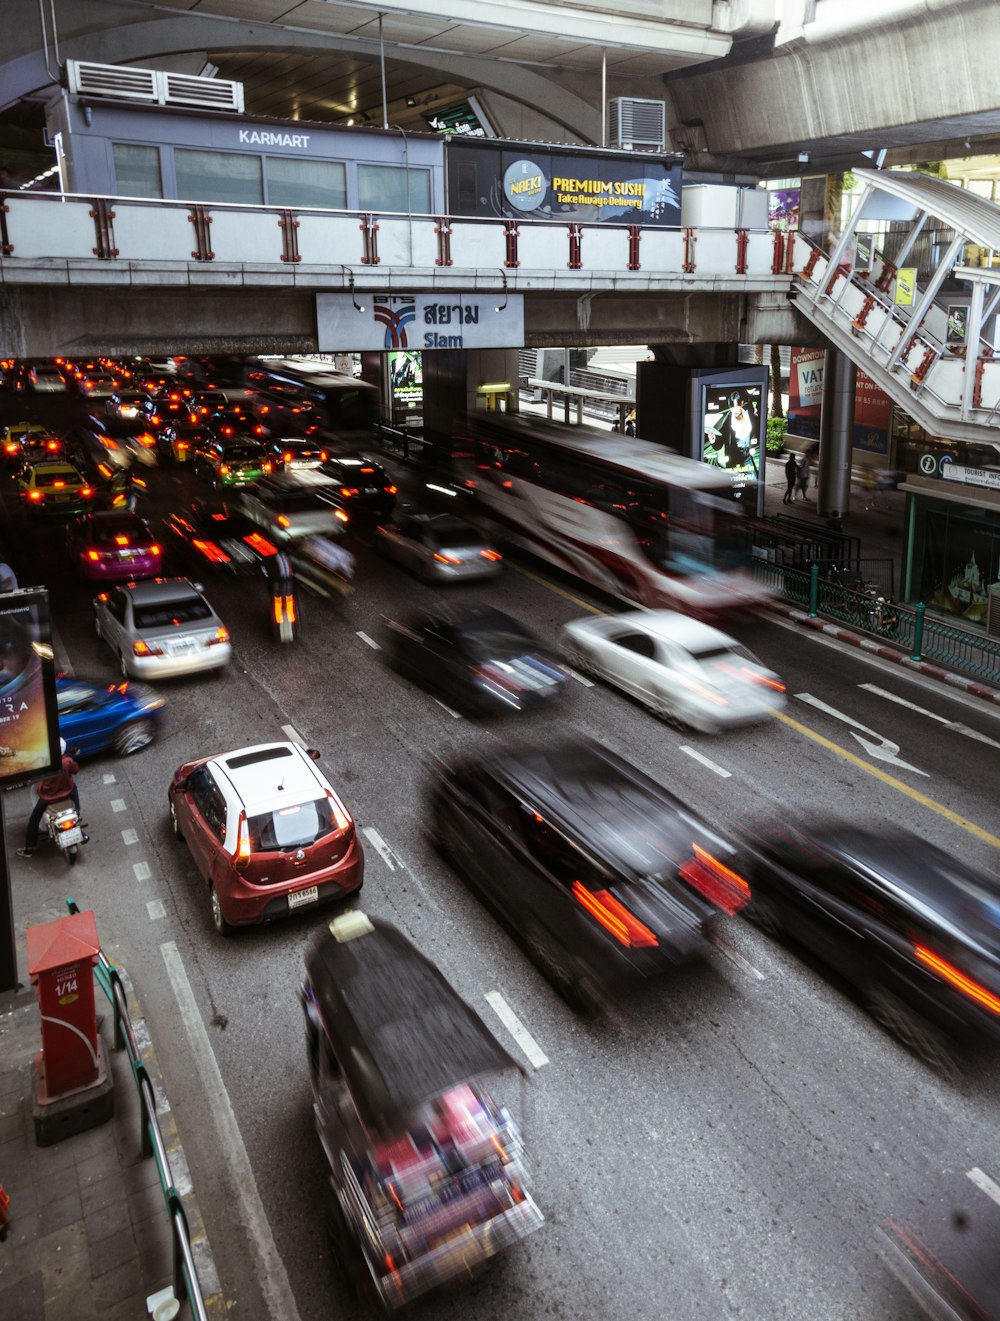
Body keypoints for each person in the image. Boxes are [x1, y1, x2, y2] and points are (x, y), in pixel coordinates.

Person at [16, 739, 87, 858]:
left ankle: (28, 849)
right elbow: (75, 770)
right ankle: (77, 812)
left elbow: (33, 776)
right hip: (67, 793)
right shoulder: (67, 761)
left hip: (48, 798)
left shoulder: (44, 764)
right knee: (74, 786)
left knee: (34, 819)